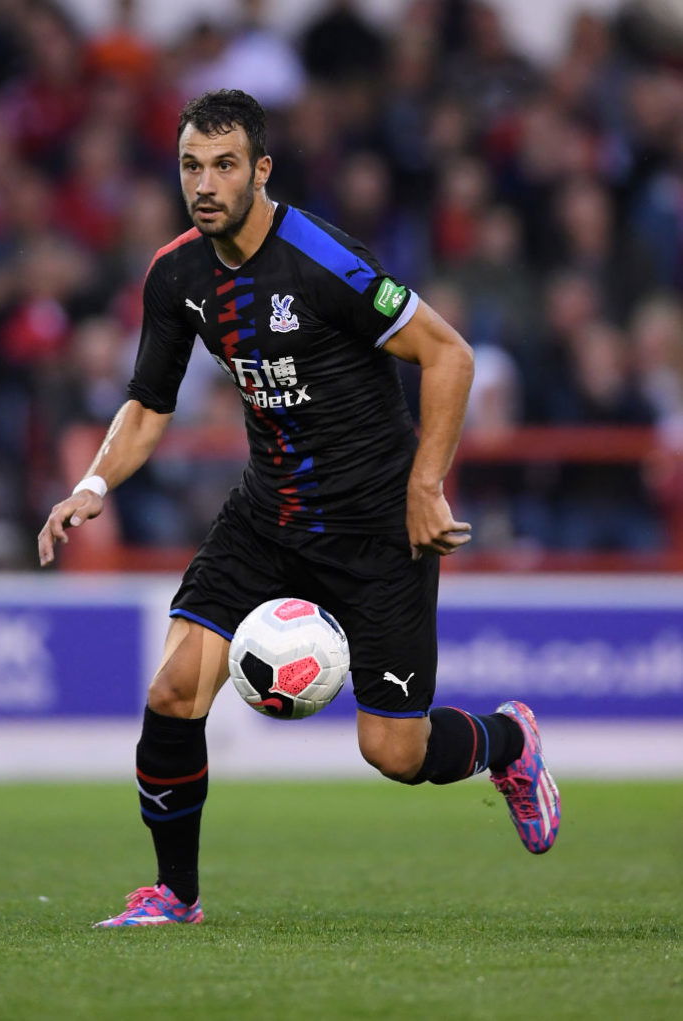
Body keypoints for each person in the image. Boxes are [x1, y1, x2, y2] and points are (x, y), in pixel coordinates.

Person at [38, 90, 561, 928]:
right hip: (268, 516)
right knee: (175, 690)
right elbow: (147, 405)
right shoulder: (177, 274)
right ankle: (175, 894)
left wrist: (425, 486)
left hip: (377, 529)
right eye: (190, 166)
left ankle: (508, 742)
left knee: (394, 750)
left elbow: (449, 355)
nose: (204, 184)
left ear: (261, 170)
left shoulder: (323, 260)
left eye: (224, 165)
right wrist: (92, 485)